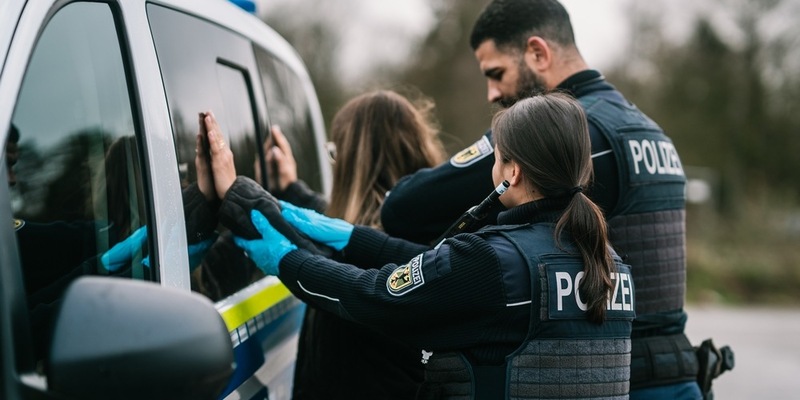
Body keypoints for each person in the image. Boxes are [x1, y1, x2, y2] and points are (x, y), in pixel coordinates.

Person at [380, 1, 700, 398]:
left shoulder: (567, 134)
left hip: (616, 381)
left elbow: (405, 209)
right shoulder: (648, 130)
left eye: (496, 74)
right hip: (676, 374)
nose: (493, 93)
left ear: (537, 53)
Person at [231, 93, 636, 399]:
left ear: (510, 171)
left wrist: (286, 259)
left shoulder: (496, 261)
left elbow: (373, 295)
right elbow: (434, 267)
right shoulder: (608, 261)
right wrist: (349, 235)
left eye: (495, 158)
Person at [265, 90, 447, 399]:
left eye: (335, 153)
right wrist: (291, 188)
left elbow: (346, 242)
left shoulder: (360, 252)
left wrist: (235, 197)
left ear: (353, 162)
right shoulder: (435, 236)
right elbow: (345, 226)